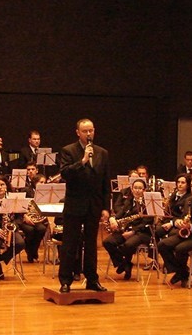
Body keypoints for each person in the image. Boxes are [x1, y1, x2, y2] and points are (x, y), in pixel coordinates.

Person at [57, 118, 110, 293]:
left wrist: (105, 207)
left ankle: (92, 279)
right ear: (78, 132)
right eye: (85, 131)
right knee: (70, 244)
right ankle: (65, 280)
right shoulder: (68, 150)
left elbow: (105, 182)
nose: (89, 134)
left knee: (91, 245)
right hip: (74, 204)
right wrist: (83, 161)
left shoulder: (102, 153)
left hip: (93, 206)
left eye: (91, 130)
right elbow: (65, 173)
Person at [102, 178, 151, 281]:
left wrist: (132, 232)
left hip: (141, 232)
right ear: (132, 189)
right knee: (107, 242)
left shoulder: (148, 203)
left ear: (144, 190)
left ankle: (124, 264)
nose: (137, 190)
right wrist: (113, 219)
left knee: (128, 244)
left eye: (140, 188)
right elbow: (121, 213)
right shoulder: (129, 200)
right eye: (135, 188)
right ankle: (125, 264)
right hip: (125, 229)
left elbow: (147, 222)